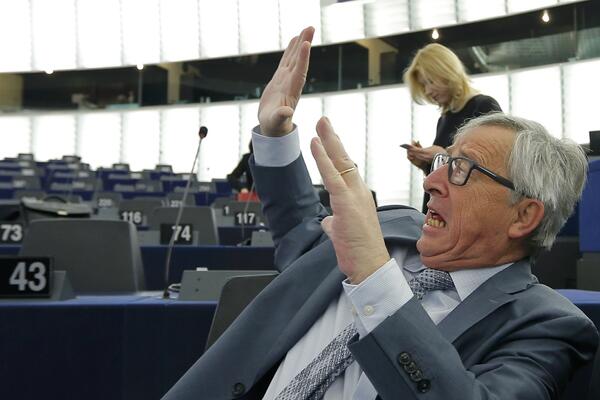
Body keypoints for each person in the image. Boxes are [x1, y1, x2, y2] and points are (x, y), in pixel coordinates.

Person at [163, 27, 598, 400]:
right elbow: (303, 233)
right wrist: (276, 136)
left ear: (523, 216)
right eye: (443, 161)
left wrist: (376, 279)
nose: (431, 181)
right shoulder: (391, 227)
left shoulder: (547, 327)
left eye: (462, 169)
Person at [402, 43, 502, 212]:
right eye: (424, 85)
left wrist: (444, 156)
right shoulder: (444, 119)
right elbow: (448, 173)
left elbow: (493, 165)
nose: (427, 91)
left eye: (430, 82)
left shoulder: (484, 106)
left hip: (465, 209)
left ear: (447, 72)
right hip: (442, 205)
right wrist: (425, 164)